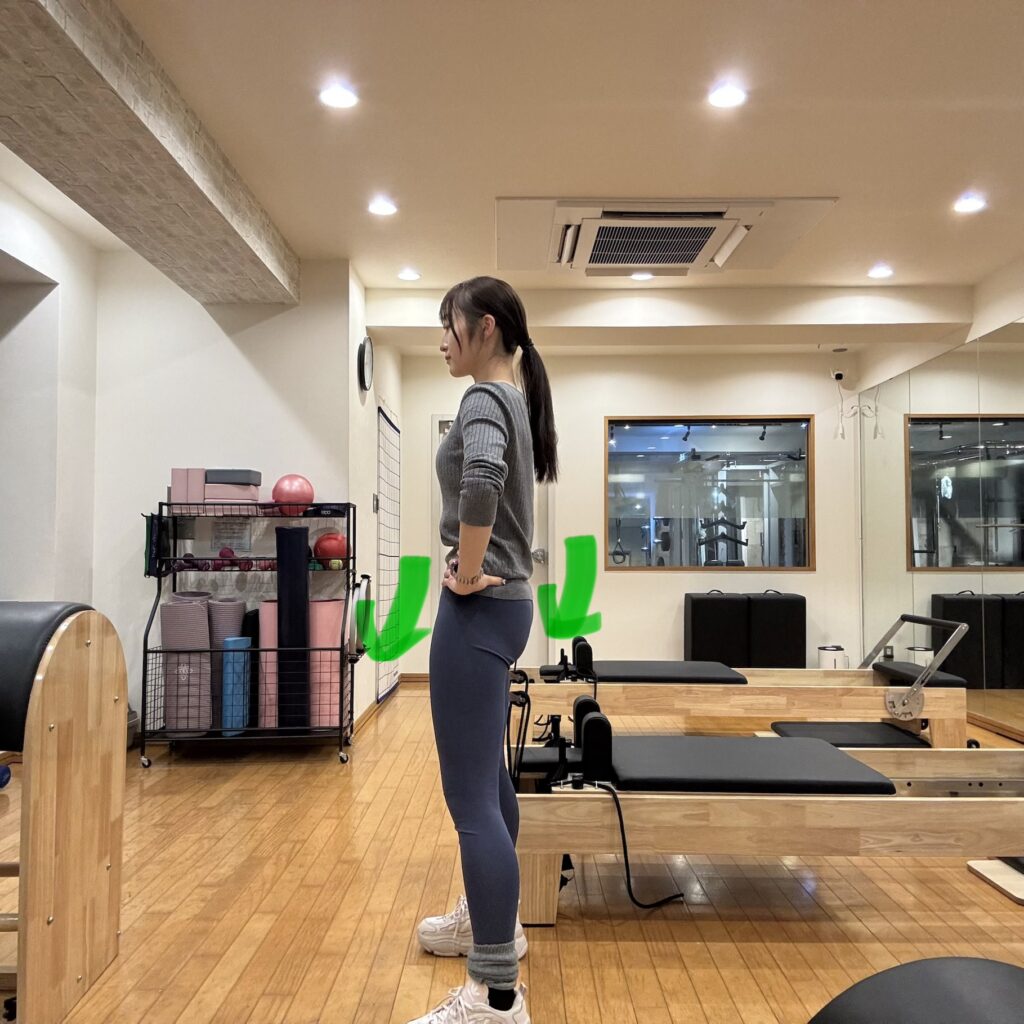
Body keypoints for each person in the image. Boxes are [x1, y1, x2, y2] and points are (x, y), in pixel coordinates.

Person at [408, 277, 558, 1024]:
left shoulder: (484, 400)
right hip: (507, 607)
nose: (443, 340)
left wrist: (465, 572)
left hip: (479, 608)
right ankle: (493, 922)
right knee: (489, 782)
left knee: (469, 798)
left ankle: (494, 994)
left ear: (486, 327)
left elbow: (481, 481)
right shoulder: (513, 399)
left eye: (450, 325)